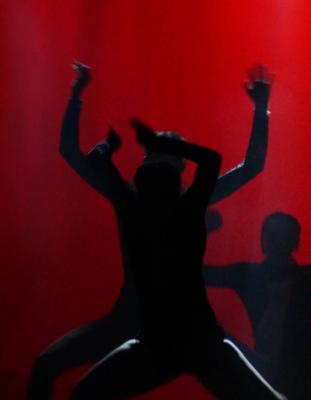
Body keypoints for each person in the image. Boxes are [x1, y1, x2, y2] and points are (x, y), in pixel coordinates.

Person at [29, 62, 272, 400]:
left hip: (178, 332)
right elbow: (250, 165)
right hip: (149, 326)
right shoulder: (154, 200)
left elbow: (74, 153)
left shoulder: (142, 201)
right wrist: (261, 108)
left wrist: (77, 96)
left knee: (57, 372)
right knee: (52, 369)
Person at [70, 119, 282, 399]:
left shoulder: (133, 210)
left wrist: (109, 145)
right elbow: (210, 160)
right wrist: (162, 145)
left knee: (85, 393)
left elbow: (96, 161)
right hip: (186, 341)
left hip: (167, 343)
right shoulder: (188, 209)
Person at [204, 213, 311, 399]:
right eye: (272, 236)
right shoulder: (296, 275)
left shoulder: (299, 276)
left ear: (294, 242)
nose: (276, 243)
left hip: (305, 369)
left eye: (282, 237)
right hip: (279, 368)